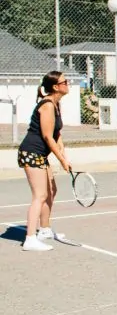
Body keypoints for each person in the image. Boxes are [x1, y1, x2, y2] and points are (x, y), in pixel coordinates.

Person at [17, 71, 74, 251]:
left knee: (51, 190)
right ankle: (30, 239)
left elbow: (57, 134)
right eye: (65, 81)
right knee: (40, 195)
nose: (68, 84)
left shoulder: (56, 105)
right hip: (31, 152)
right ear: (56, 87)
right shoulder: (48, 105)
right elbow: (47, 137)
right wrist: (62, 161)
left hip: (41, 154)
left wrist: (64, 156)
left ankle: (45, 229)